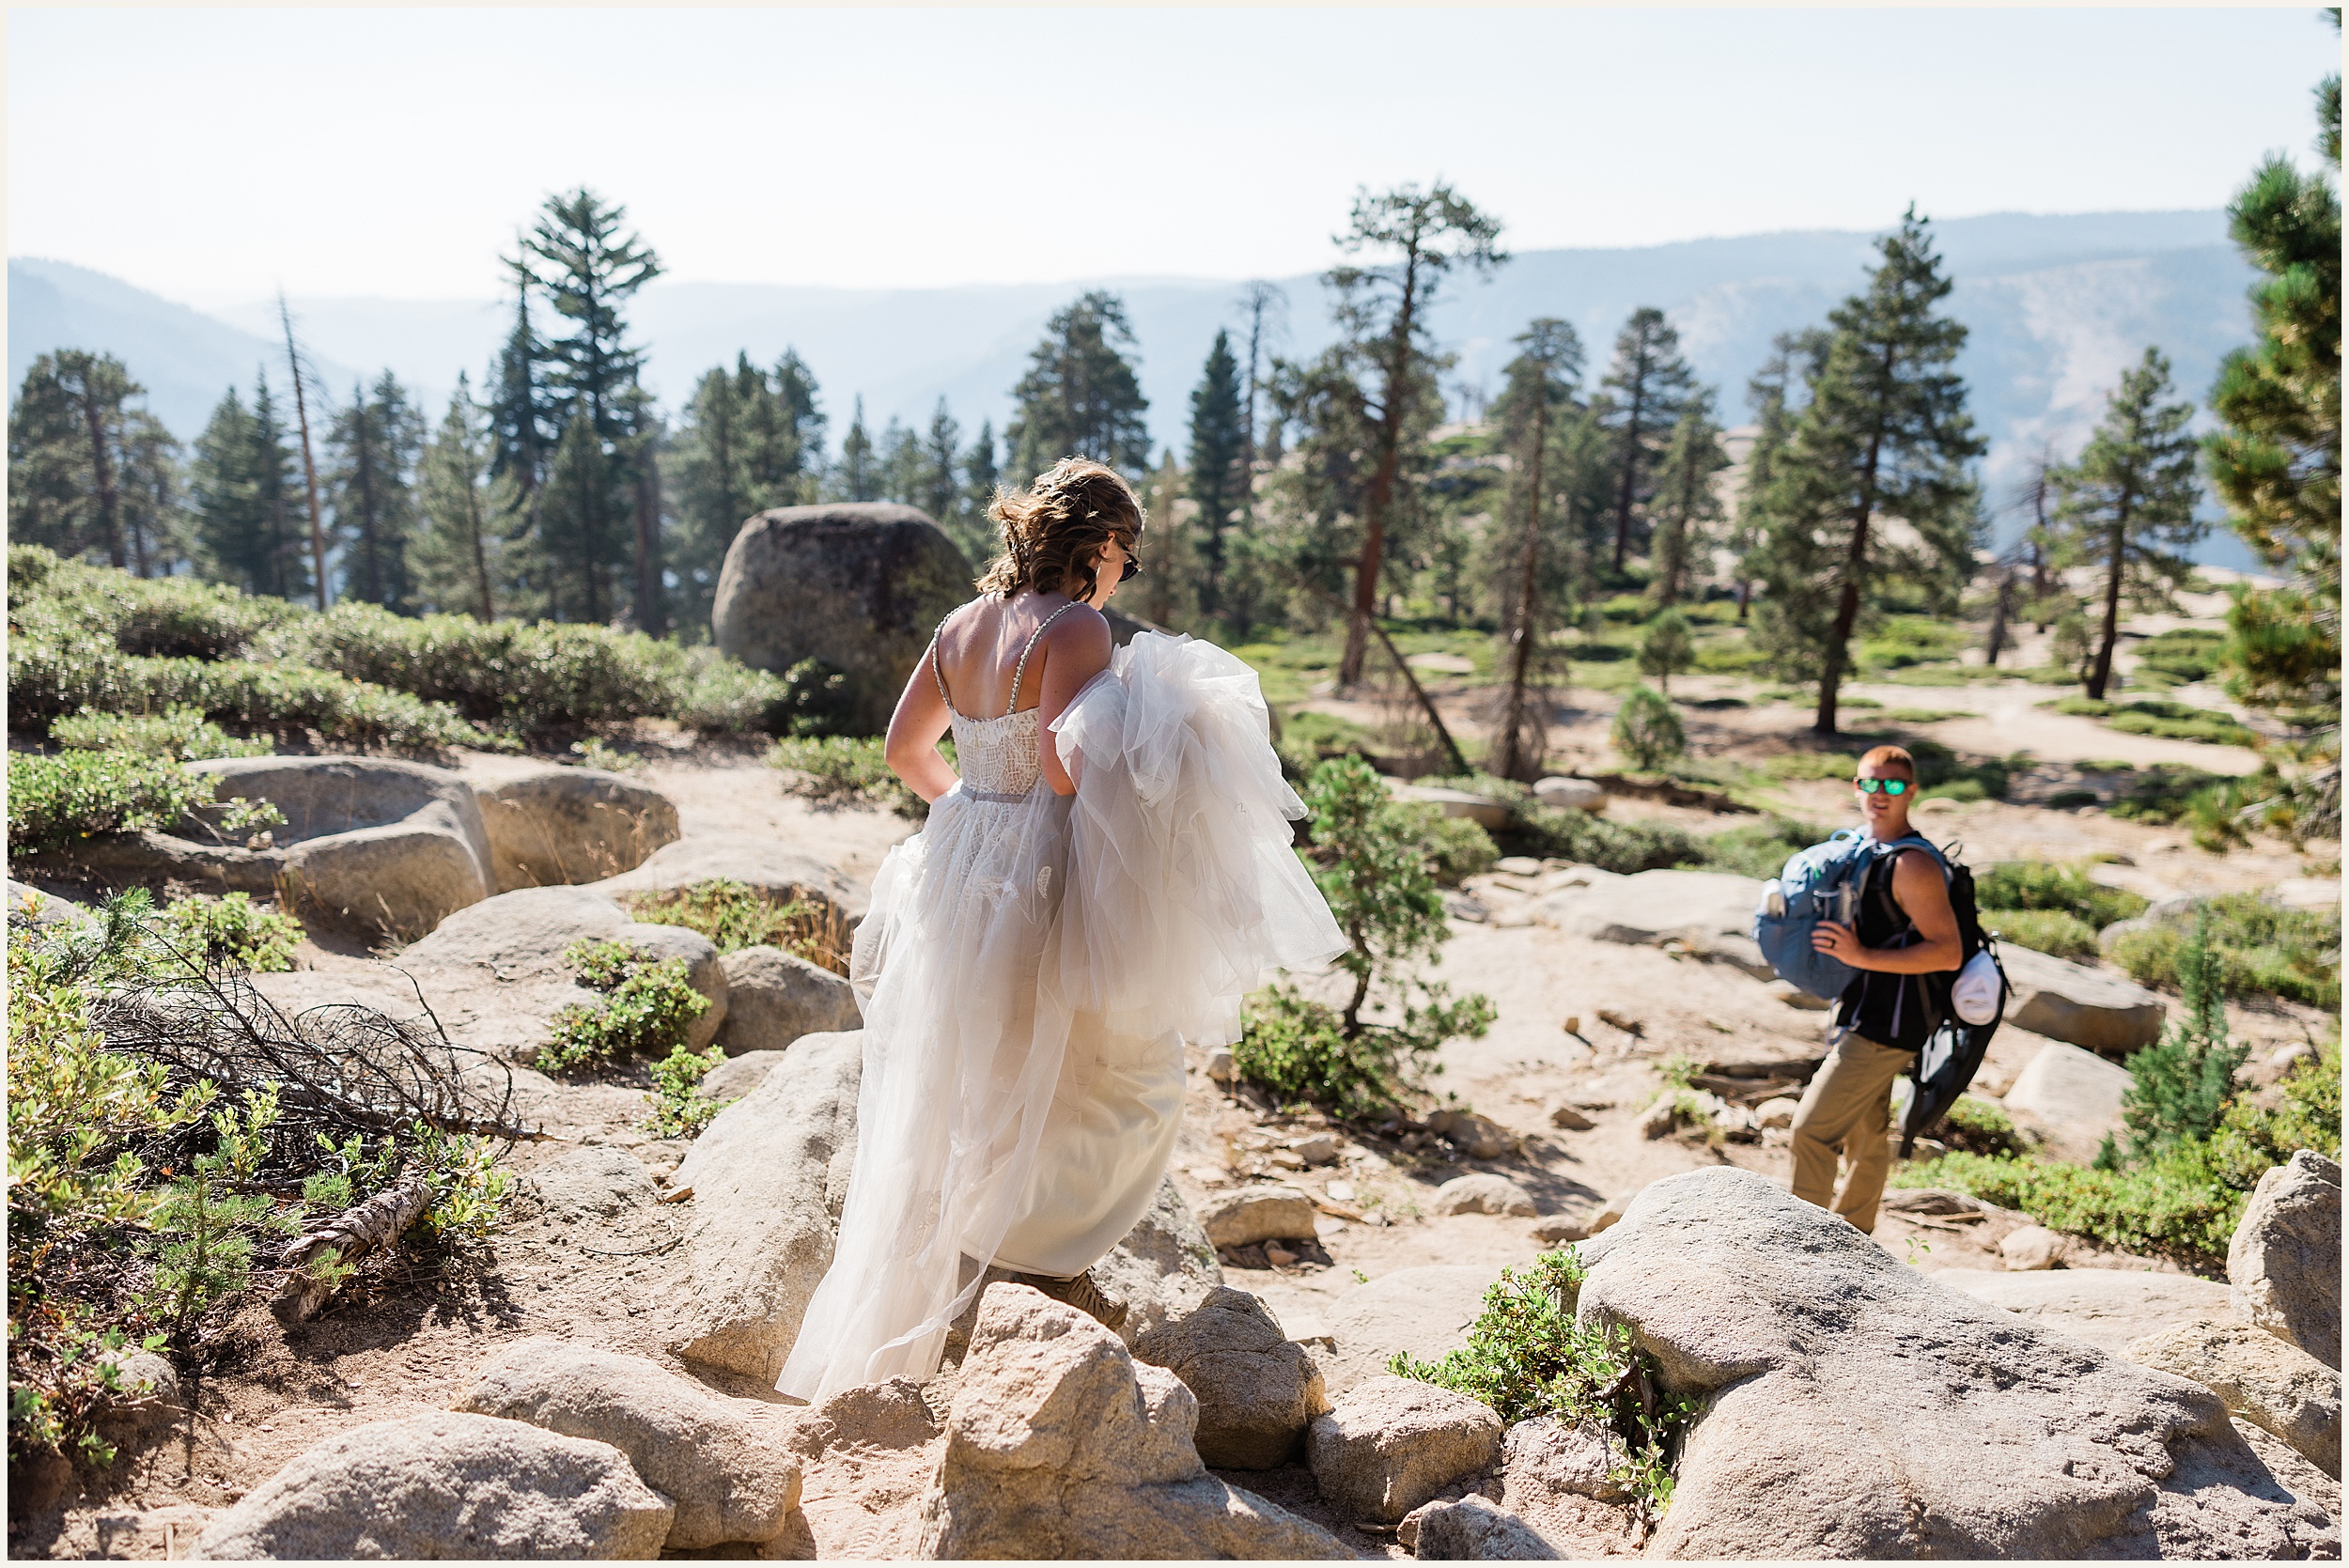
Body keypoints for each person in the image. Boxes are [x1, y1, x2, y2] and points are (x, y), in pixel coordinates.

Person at [776, 458, 1345, 1404]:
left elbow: (902, 749)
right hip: (1040, 862)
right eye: (1129, 556)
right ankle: (1033, 1258)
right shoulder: (1074, 624)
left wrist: (969, 808)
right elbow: (1066, 767)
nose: (1125, 576)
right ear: (1102, 547)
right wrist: (1163, 730)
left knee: (977, 1058)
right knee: (1109, 1066)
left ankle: (964, 1260)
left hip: (959, 858)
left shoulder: (958, 627)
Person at [1793, 744, 1962, 1234]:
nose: (1879, 794)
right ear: (1856, 786)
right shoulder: (1865, 848)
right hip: (1864, 1009)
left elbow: (1947, 951)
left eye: (1891, 785)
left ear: (1910, 791)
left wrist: (1862, 957)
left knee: (1809, 1131)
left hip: (1892, 1021)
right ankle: (1856, 1241)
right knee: (1867, 1136)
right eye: (1870, 783)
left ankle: (1797, 1249)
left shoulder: (1914, 864)